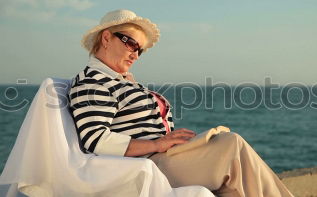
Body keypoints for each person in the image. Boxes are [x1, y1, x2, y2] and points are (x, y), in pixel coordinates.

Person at [68, 9, 294, 197]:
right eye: (131, 44)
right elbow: (95, 139)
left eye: (140, 50)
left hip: (161, 161)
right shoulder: (93, 82)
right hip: (146, 170)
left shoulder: (118, 81)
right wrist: (157, 144)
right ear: (106, 38)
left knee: (234, 183)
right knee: (230, 146)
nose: (136, 55)